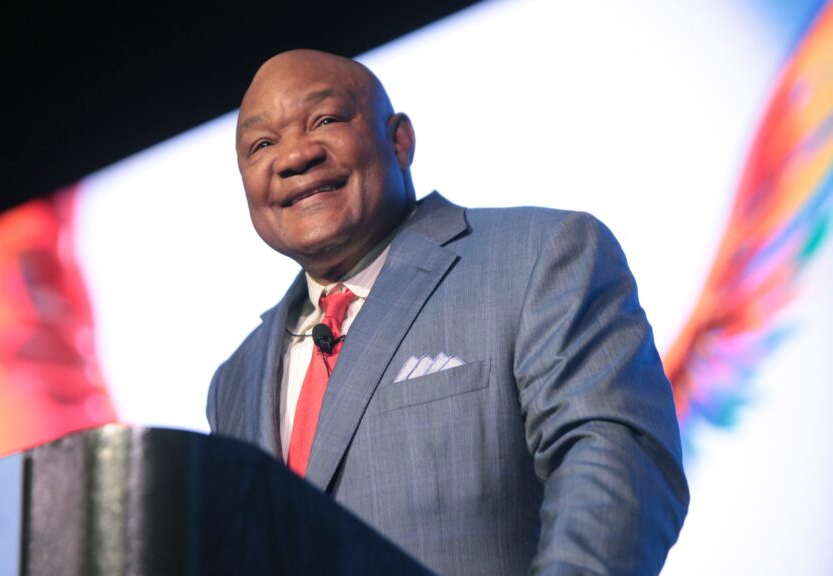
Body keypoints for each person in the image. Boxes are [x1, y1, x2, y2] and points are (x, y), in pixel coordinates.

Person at [207, 49, 689, 575]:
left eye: (324, 120)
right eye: (261, 144)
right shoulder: (234, 381)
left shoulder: (538, 256)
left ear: (399, 140)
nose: (295, 156)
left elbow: (617, 470)